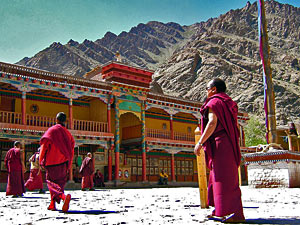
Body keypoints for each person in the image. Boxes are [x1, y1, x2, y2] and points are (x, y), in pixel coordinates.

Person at [194, 78, 245, 223]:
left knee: (221, 178)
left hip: (220, 144)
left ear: (214, 89)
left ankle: (228, 213)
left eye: (207, 88)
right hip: (229, 144)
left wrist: (200, 142)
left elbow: (212, 123)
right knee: (228, 178)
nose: (206, 91)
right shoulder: (229, 103)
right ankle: (222, 210)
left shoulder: (214, 102)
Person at [39, 112, 75, 212]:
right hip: (63, 163)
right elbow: (71, 150)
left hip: (51, 162)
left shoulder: (51, 131)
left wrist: (40, 160)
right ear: (65, 121)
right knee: (59, 184)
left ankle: (63, 197)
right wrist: (69, 164)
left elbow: (44, 147)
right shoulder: (68, 133)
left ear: (56, 120)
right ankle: (52, 204)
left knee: (51, 184)